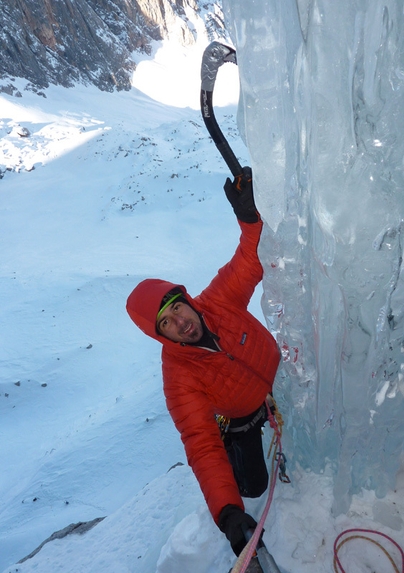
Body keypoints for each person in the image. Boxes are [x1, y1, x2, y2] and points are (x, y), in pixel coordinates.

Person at [126, 167, 280, 557]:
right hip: (243, 415)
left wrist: (250, 218)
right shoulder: (178, 376)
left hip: (284, 384)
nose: (181, 322)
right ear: (161, 335)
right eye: (167, 324)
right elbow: (200, 443)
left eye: (177, 308)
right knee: (253, 488)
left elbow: (250, 259)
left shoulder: (217, 301)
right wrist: (228, 512)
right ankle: (240, 444)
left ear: (186, 300)